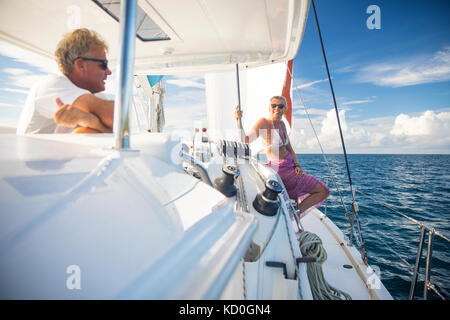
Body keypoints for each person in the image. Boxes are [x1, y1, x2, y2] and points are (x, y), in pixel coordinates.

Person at [235, 96, 329, 217]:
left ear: (285, 109)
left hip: (291, 167)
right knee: (323, 190)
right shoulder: (264, 123)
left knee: (322, 191)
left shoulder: (282, 125)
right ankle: (294, 214)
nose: (277, 108)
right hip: (281, 169)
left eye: (280, 106)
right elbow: (245, 140)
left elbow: (290, 149)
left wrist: (297, 165)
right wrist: (238, 120)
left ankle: (295, 212)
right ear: (269, 107)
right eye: (274, 105)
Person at [16, 28, 114, 134]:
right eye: (103, 64)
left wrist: (91, 121)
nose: (109, 72)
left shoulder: (94, 94)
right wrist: (94, 123)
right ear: (81, 65)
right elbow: (116, 116)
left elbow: (121, 127)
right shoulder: (53, 85)